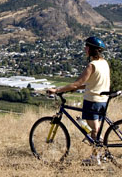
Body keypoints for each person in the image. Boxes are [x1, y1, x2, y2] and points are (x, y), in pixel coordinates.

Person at [47, 36, 110, 165]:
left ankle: (96, 158)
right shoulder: (104, 63)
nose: (85, 49)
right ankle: (100, 155)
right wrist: (78, 88)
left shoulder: (92, 65)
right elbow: (94, 83)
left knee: (94, 132)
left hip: (92, 101)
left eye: (87, 46)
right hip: (103, 100)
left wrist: (57, 90)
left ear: (92, 50)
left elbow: (77, 83)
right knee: (95, 129)